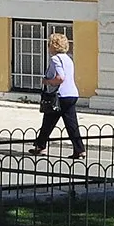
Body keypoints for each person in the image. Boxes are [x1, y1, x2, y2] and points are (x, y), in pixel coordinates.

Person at [28, 32, 84, 161]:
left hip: (60, 96)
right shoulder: (68, 58)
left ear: (53, 46)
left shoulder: (55, 59)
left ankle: (41, 146)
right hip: (72, 94)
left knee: (48, 121)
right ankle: (79, 149)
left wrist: (47, 81)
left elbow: (60, 78)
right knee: (71, 124)